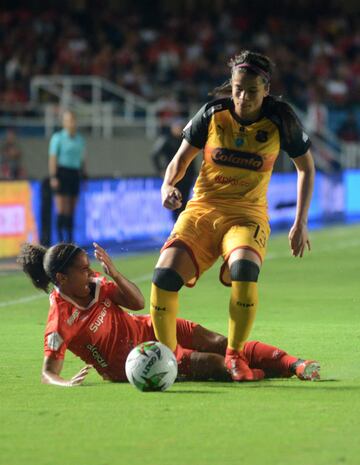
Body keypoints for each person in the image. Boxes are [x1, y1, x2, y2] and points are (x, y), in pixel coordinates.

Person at [149, 50, 315, 382]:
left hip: (246, 217)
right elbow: (180, 159)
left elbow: (306, 168)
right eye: (238, 88)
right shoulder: (213, 113)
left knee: (244, 270)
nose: (243, 97)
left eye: (251, 91)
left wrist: (300, 222)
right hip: (202, 211)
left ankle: (235, 356)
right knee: (164, 277)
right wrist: (168, 185)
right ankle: (169, 360)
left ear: (265, 89)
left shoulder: (281, 119)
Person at [17, 242, 320, 386]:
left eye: (88, 266)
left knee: (221, 342)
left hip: (148, 329)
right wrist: (66, 383)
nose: (90, 273)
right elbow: (48, 373)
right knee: (217, 364)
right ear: (62, 279)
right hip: (136, 361)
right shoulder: (60, 321)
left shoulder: (94, 283)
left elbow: (136, 303)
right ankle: (269, 372)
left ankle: (293, 363)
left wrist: (115, 273)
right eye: (82, 270)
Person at [48, 110, 87, 243]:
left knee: (71, 210)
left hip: (74, 174)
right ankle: (60, 241)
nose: (71, 123)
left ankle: (70, 241)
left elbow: (82, 160)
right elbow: (53, 158)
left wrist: (84, 176)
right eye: (68, 120)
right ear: (64, 122)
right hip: (62, 173)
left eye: (72, 120)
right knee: (62, 209)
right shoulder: (58, 138)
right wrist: (53, 176)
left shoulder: (80, 140)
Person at [151, 120, 197, 221]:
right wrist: (161, 170)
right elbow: (154, 155)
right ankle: (176, 223)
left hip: (187, 176)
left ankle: (182, 223)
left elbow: (192, 160)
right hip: (174, 175)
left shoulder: (186, 140)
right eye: (177, 127)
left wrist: (194, 174)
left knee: (184, 200)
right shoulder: (167, 140)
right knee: (173, 200)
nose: (179, 129)